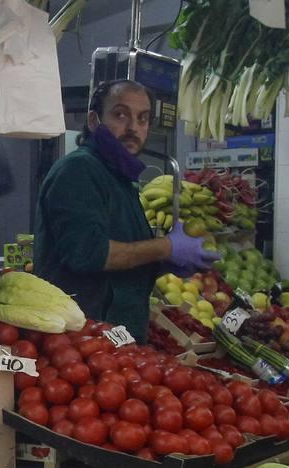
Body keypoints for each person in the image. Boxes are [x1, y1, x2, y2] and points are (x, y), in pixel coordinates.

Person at [34, 79, 218, 340]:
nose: (133, 128)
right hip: (80, 342)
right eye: (121, 115)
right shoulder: (78, 171)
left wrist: (165, 262)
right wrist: (166, 247)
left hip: (118, 342)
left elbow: (126, 257)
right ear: (94, 121)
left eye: (142, 119)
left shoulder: (122, 180)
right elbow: (87, 254)